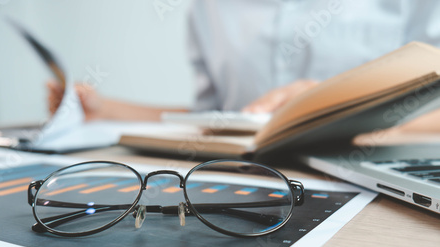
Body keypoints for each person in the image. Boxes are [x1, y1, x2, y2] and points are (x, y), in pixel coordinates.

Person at [47, 0, 440, 122]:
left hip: (371, 189)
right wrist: (102, 109)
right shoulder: (209, 9)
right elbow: (215, 117)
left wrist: (340, 104)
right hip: (243, 183)